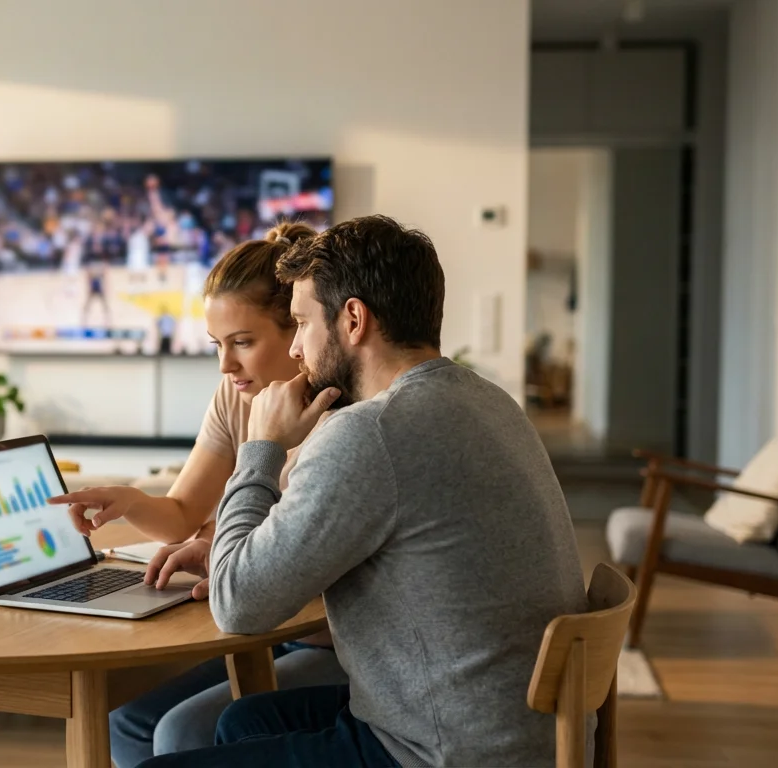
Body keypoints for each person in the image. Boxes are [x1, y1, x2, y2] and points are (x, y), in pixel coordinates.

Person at [140, 215, 587, 768]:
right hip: (523, 731)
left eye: (301, 323)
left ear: (353, 319)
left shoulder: (370, 431)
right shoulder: (488, 400)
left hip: (440, 751)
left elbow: (237, 606)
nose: (297, 348)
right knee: (241, 723)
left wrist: (261, 447)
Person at [47, 222, 349, 768]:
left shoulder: (345, 420)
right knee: (125, 721)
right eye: (217, 344)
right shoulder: (235, 398)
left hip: (328, 641)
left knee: (182, 730)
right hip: (262, 627)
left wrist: (225, 548)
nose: (226, 365)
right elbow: (182, 513)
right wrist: (131, 501)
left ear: (298, 329)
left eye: (243, 343)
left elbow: (302, 567)